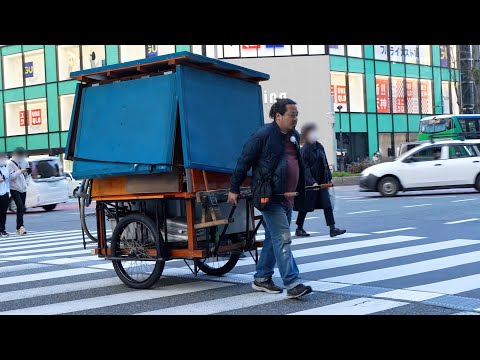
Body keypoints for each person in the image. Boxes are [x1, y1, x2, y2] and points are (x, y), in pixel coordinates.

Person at [228, 98, 313, 299]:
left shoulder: (293, 135)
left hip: (288, 197)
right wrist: (234, 188)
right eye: (292, 115)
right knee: (282, 238)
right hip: (269, 196)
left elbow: (297, 163)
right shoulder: (263, 135)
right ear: (278, 116)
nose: (295, 118)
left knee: (272, 239)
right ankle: (293, 283)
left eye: (296, 115)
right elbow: (244, 161)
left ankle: (261, 278)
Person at [294, 124, 346, 238]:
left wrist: (329, 177)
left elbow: (325, 163)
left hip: (321, 182)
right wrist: (312, 182)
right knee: (305, 207)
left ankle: (332, 228)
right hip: (310, 185)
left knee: (327, 204)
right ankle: (299, 227)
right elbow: (304, 168)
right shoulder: (305, 150)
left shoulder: (319, 146)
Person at [7, 147, 30, 235]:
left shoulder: (25, 161)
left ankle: (20, 227)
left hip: (23, 188)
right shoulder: (10, 163)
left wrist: (26, 183)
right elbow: (10, 177)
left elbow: (28, 173)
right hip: (14, 188)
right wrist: (20, 171)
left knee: (22, 208)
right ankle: (20, 227)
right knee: (19, 206)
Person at [0, 153, 10, 237]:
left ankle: (2, 230)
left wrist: (8, 191)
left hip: (4, 193)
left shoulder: (5, 168)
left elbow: (7, 181)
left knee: (3, 213)